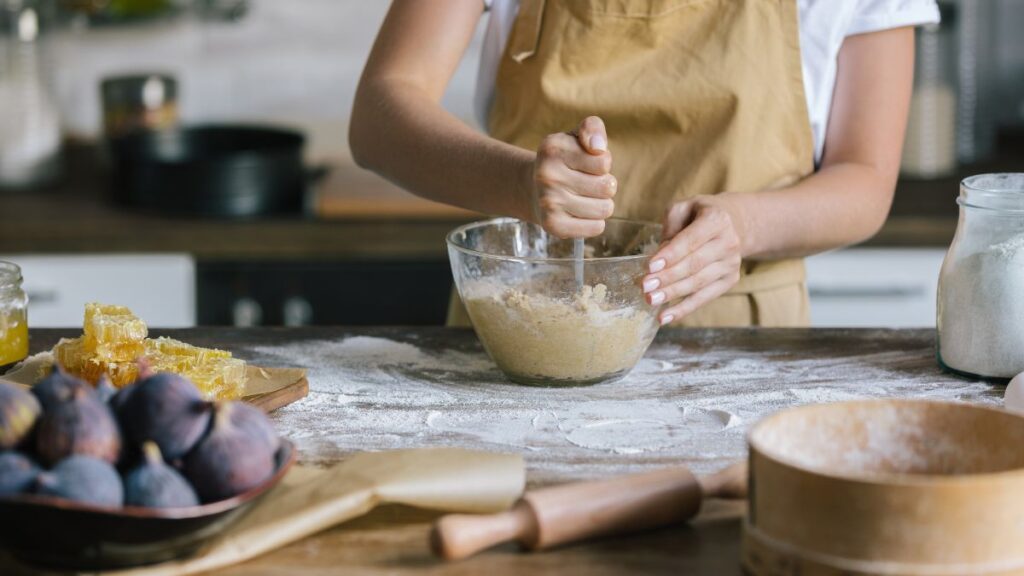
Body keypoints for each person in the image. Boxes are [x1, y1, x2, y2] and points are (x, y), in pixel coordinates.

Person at [350, 0, 938, 327]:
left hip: (741, 338)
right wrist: (518, 182)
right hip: (520, 322)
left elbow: (865, 179)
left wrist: (743, 227)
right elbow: (380, 117)